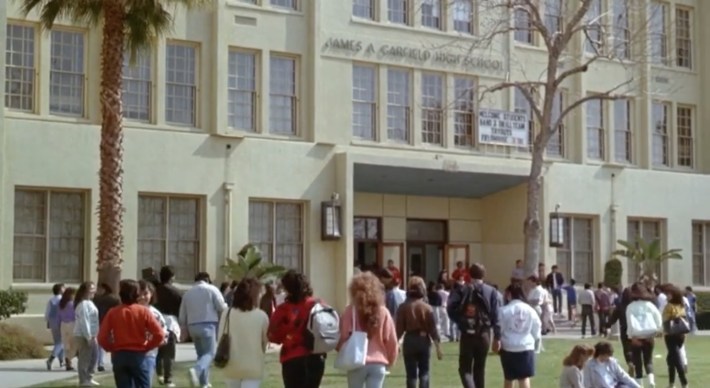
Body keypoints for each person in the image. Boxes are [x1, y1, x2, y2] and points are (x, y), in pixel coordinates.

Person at [98, 279, 166, 388]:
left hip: (119, 355)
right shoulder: (143, 311)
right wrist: (147, 347)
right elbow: (159, 334)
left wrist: (111, 348)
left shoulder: (113, 312)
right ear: (137, 294)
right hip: (138, 355)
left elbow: (101, 337)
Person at [339, 272, 399, 388]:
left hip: (356, 361)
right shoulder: (383, 312)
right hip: (378, 361)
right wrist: (391, 360)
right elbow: (392, 341)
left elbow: (343, 337)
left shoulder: (350, 311)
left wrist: (342, 351)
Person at [268, 270, 326, 388]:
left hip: (292, 356)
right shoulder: (318, 304)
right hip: (316, 356)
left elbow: (273, 335)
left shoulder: (283, 309)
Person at [447, 264, 500, 388]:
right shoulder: (491, 291)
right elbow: (496, 315)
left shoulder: (462, 289)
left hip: (467, 333)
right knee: (480, 368)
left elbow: (450, 308)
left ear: (469, 274)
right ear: (484, 275)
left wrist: (460, 321)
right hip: (484, 333)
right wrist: (497, 336)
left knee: (465, 368)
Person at [218, 278, 269, 388]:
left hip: (231, 364)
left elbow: (220, 336)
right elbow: (264, 343)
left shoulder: (227, 313)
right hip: (253, 366)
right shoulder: (262, 316)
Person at [179, 272, 227, 388]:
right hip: (208, 324)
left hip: (192, 326)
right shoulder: (211, 289)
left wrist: (183, 327)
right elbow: (221, 306)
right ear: (207, 279)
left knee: (202, 355)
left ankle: (204, 382)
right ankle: (196, 370)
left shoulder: (188, 293)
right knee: (210, 353)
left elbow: (182, 313)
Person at [395, 276, 440, 388]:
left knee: (411, 374)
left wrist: (396, 343)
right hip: (423, 340)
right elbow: (433, 329)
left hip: (409, 340)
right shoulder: (427, 308)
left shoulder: (403, 307)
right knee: (424, 372)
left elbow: (398, 329)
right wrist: (438, 347)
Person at [496, 283, 541, 388]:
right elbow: (537, 327)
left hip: (508, 346)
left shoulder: (504, 310)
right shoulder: (530, 310)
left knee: (508, 377)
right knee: (524, 377)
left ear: (509, 295)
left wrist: (499, 340)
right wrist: (536, 342)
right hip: (526, 345)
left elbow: (499, 328)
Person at [625, 283, 662, 387]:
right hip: (649, 335)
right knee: (648, 360)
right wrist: (658, 330)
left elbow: (629, 323)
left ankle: (639, 384)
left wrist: (630, 336)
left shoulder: (630, 307)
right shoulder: (650, 305)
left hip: (636, 336)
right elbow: (658, 319)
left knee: (637, 361)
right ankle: (651, 380)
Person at [155, 265, 183, 387]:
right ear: (171, 277)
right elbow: (180, 309)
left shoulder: (154, 290)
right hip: (170, 323)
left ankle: (159, 374)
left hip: (155, 321)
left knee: (158, 352)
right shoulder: (176, 292)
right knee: (169, 353)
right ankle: (168, 379)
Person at [138, 280, 168, 382]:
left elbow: (163, 333)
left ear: (151, 294)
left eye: (145, 293)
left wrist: (154, 343)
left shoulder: (155, 313)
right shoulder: (128, 311)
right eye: (139, 294)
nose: (142, 297)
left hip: (148, 355)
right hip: (131, 354)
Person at [73, 281, 99, 387]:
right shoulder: (83, 304)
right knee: (85, 358)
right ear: (84, 291)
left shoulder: (90, 302)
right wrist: (88, 337)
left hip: (92, 335)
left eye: (94, 289)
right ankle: (83, 380)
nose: (93, 291)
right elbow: (85, 321)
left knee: (94, 356)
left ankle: (89, 377)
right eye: (91, 289)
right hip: (83, 335)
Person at [662, 286, 689, 388]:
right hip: (681, 335)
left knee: (676, 359)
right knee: (671, 359)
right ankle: (671, 383)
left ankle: (684, 382)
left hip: (671, 336)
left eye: (668, 294)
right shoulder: (681, 305)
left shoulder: (669, 306)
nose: (667, 296)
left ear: (673, 295)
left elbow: (665, 320)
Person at [606, 286, 635, 375]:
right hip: (635, 329)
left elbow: (614, 317)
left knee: (626, 348)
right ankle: (634, 362)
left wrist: (607, 325)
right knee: (634, 347)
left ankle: (629, 362)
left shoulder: (620, 305)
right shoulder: (635, 304)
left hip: (624, 328)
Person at [93, 282, 120, 372]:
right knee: (112, 342)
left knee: (100, 343)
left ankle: (100, 363)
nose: (97, 290)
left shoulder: (97, 298)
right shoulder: (114, 298)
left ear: (104, 289)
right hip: (111, 322)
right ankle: (104, 363)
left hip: (100, 321)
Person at [45, 283, 65, 370]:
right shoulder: (62, 300)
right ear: (60, 290)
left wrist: (48, 321)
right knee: (61, 342)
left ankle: (61, 361)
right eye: (63, 288)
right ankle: (50, 359)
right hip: (60, 322)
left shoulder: (51, 300)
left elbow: (47, 312)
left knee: (58, 341)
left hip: (52, 321)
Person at [58, 287, 77, 371]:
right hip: (72, 324)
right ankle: (69, 358)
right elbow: (76, 316)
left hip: (63, 324)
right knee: (74, 343)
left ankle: (68, 361)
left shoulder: (61, 304)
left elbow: (58, 316)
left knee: (66, 344)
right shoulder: (73, 304)